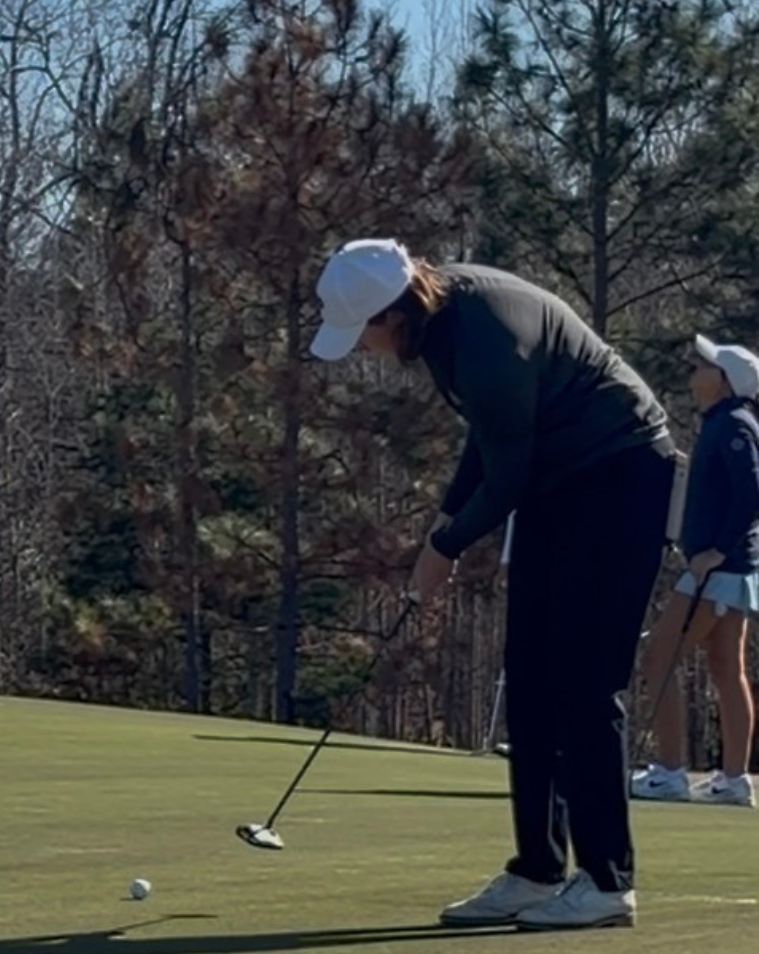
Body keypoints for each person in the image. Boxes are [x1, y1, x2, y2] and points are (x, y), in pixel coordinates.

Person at [310, 239, 677, 931]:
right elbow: (490, 441)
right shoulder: (442, 322)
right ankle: (538, 870)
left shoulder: (479, 336)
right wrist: (441, 529)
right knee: (530, 674)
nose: (360, 349)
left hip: (622, 474)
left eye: (360, 334)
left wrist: (444, 547)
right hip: (561, 480)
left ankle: (607, 881)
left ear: (391, 315)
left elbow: (506, 475)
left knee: (582, 679)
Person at [630, 335, 759, 807]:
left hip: (718, 570)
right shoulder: (726, 422)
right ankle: (734, 779)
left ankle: (669, 772)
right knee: (727, 668)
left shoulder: (733, 426)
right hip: (732, 571)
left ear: (723, 383)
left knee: (659, 657)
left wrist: (715, 551)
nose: (694, 368)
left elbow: (752, 493)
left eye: (705, 366)